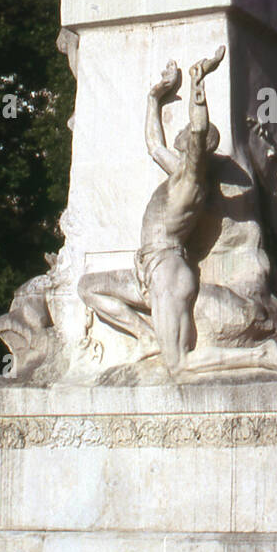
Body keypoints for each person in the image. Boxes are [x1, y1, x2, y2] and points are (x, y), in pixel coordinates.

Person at [78, 48, 224, 375]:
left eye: (185, 134)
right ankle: (145, 338)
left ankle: (261, 359)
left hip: (168, 270)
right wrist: (153, 98)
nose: (181, 134)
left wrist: (198, 82)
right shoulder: (178, 173)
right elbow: (154, 146)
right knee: (88, 287)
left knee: (178, 365)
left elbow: (199, 129)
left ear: (195, 147)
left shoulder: (192, 178)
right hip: (149, 267)